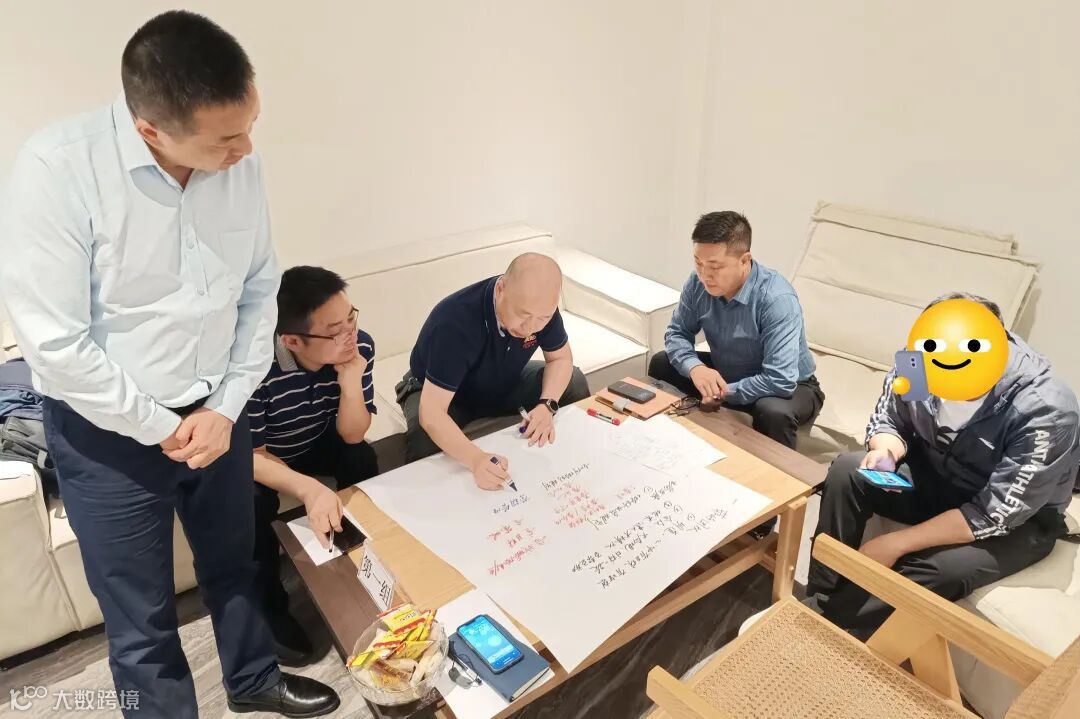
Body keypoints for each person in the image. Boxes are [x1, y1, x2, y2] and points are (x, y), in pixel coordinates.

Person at [0, 11, 337, 718]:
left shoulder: (241, 165)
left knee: (236, 562)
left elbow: (259, 289)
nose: (247, 149)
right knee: (141, 612)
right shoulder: (58, 170)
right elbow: (55, 343)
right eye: (225, 139)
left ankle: (252, 679)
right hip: (106, 433)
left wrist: (226, 407)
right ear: (150, 129)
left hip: (218, 412)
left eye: (250, 125)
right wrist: (163, 426)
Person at [805, 293, 1079, 637]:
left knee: (943, 570)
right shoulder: (919, 360)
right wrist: (886, 451)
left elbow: (993, 514)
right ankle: (821, 590)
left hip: (1018, 521)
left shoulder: (1043, 411)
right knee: (848, 471)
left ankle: (828, 621)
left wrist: (896, 542)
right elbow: (892, 419)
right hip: (937, 476)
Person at [248, 266, 379, 665]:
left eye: (351, 318)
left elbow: (352, 434)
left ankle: (369, 561)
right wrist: (307, 488)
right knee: (250, 500)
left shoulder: (359, 347)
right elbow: (251, 455)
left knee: (361, 456)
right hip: (267, 453)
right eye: (336, 330)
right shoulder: (255, 368)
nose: (351, 334)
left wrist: (351, 380)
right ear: (291, 340)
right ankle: (270, 606)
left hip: (320, 438)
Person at [396, 253, 590, 485]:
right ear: (500, 289)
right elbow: (432, 412)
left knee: (574, 381)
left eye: (543, 318)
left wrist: (546, 405)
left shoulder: (540, 311)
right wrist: (476, 459)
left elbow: (560, 359)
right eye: (523, 315)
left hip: (502, 378)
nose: (530, 327)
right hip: (445, 391)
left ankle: (569, 467)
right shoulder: (455, 322)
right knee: (424, 440)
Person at [648, 211, 824, 449]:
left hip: (792, 385)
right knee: (661, 363)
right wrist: (696, 368)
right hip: (728, 372)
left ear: (745, 260)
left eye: (715, 266)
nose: (704, 274)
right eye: (698, 263)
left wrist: (721, 392)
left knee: (773, 411)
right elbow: (677, 333)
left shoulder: (776, 298)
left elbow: (780, 378)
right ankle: (664, 446)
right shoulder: (697, 283)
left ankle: (775, 471)